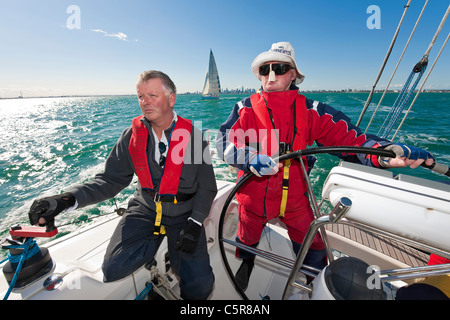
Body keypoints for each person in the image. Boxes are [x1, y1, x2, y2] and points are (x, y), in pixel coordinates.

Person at [216, 41, 435, 291]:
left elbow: (351, 140)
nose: (271, 75)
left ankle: (314, 281)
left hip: (296, 200)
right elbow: (224, 140)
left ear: (293, 75)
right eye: (265, 70)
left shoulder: (312, 111)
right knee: (247, 238)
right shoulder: (244, 108)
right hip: (252, 197)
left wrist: (385, 154)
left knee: (315, 245)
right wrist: (248, 157)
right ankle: (248, 262)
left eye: (279, 67)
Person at [28, 70, 217, 300]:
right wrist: (66, 199)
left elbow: (207, 188)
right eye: (140, 96)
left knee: (200, 286)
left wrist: (196, 223)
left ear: (171, 99)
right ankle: (163, 250)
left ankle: (176, 257)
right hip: (145, 209)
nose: (144, 102)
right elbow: (109, 180)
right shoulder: (131, 136)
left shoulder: (195, 139)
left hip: (185, 215)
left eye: (152, 95)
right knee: (114, 267)